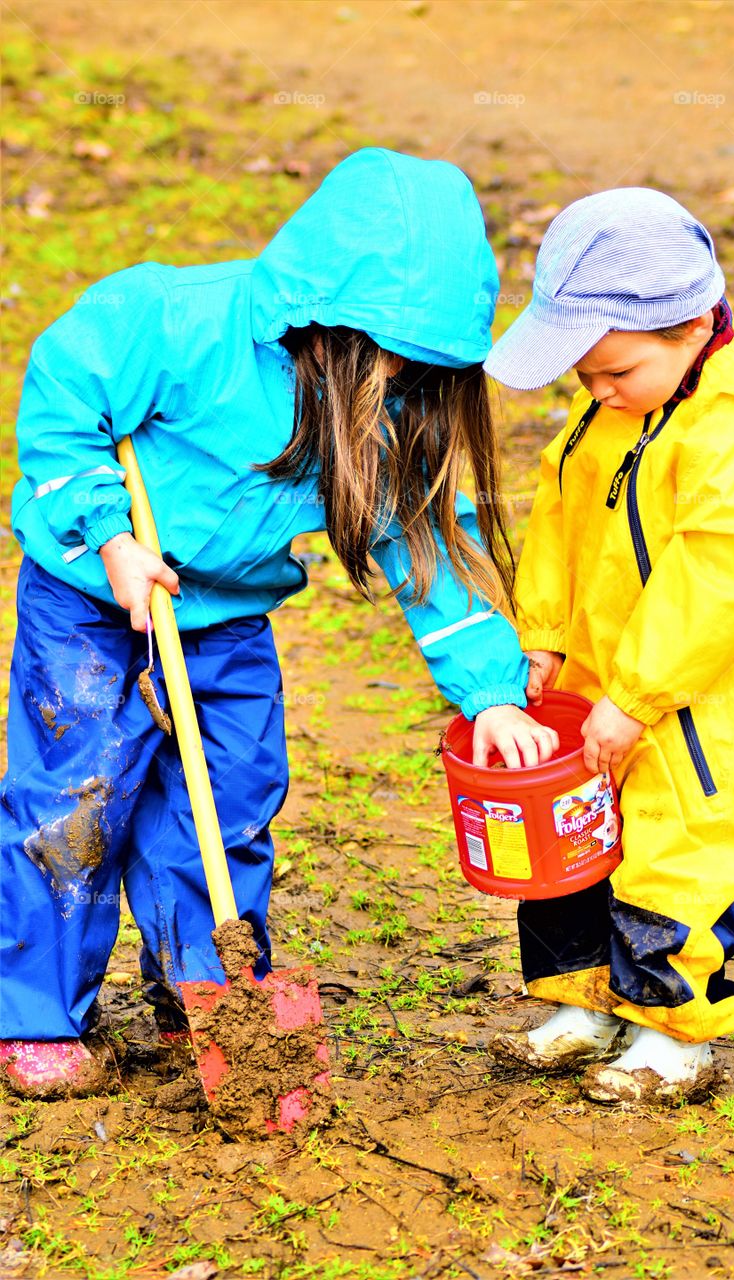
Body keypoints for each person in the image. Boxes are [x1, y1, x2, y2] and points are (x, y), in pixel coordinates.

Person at [0, 147, 559, 1099]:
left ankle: (206, 991)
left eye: (423, 368)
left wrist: (492, 694)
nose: (400, 383)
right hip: (94, 602)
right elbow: (62, 401)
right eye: (385, 355)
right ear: (321, 313)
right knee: (77, 804)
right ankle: (41, 1015)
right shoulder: (173, 324)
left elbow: (427, 560)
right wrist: (108, 536)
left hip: (222, 621)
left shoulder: (392, 409)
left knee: (229, 800)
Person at [482, 188, 734, 1104]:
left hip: (710, 704)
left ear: (689, 326)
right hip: (611, 682)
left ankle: (672, 1033)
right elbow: (561, 524)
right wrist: (549, 638)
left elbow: (717, 583)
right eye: (583, 377)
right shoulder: (612, 415)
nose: (597, 392)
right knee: (576, 842)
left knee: (678, 852)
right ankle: (584, 998)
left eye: (615, 372)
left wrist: (639, 696)